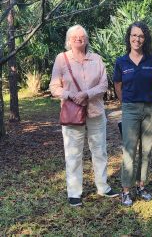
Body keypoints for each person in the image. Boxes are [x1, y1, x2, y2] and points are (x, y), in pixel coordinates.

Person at [50, 24, 118, 207]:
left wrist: (86, 94)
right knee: (73, 153)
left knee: (100, 151)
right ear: (69, 41)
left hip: (95, 112)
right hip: (73, 113)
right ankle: (74, 193)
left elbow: (104, 85)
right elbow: (54, 87)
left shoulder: (96, 59)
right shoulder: (62, 59)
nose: (79, 39)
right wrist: (71, 95)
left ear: (87, 39)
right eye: (74, 37)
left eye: (82, 36)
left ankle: (103, 186)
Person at [113, 21, 152, 207]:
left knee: (146, 151)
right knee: (129, 150)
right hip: (130, 109)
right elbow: (117, 85)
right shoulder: (121, 61)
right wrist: (125, 102)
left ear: (145, 38)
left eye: (140, 36)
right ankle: (126, 190)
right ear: (129, 37)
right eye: (133, 35)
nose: (137, 39)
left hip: (150, 109)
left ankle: (141, 185)